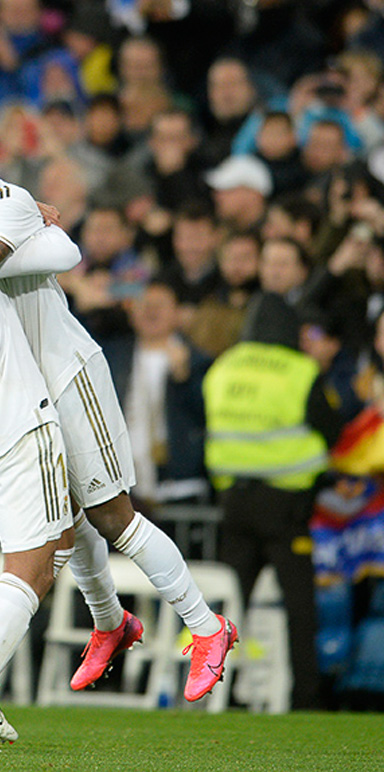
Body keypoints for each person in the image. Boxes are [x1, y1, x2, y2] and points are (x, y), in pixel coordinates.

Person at [0, 130, 235, 717]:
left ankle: (206, 626)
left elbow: (65, 254)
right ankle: (109, 622)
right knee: (66, 524)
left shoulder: (8, 207)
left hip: (65, 372)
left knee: (111, 515)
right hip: (21, 388)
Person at [203, 292, 346, 709]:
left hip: (234, 502)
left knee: (227, 607)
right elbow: (331, 430)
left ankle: (208, 691)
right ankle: (306, 697)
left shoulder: (223, 366)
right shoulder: (300, 371)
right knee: (300, 607)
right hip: (286, 507)